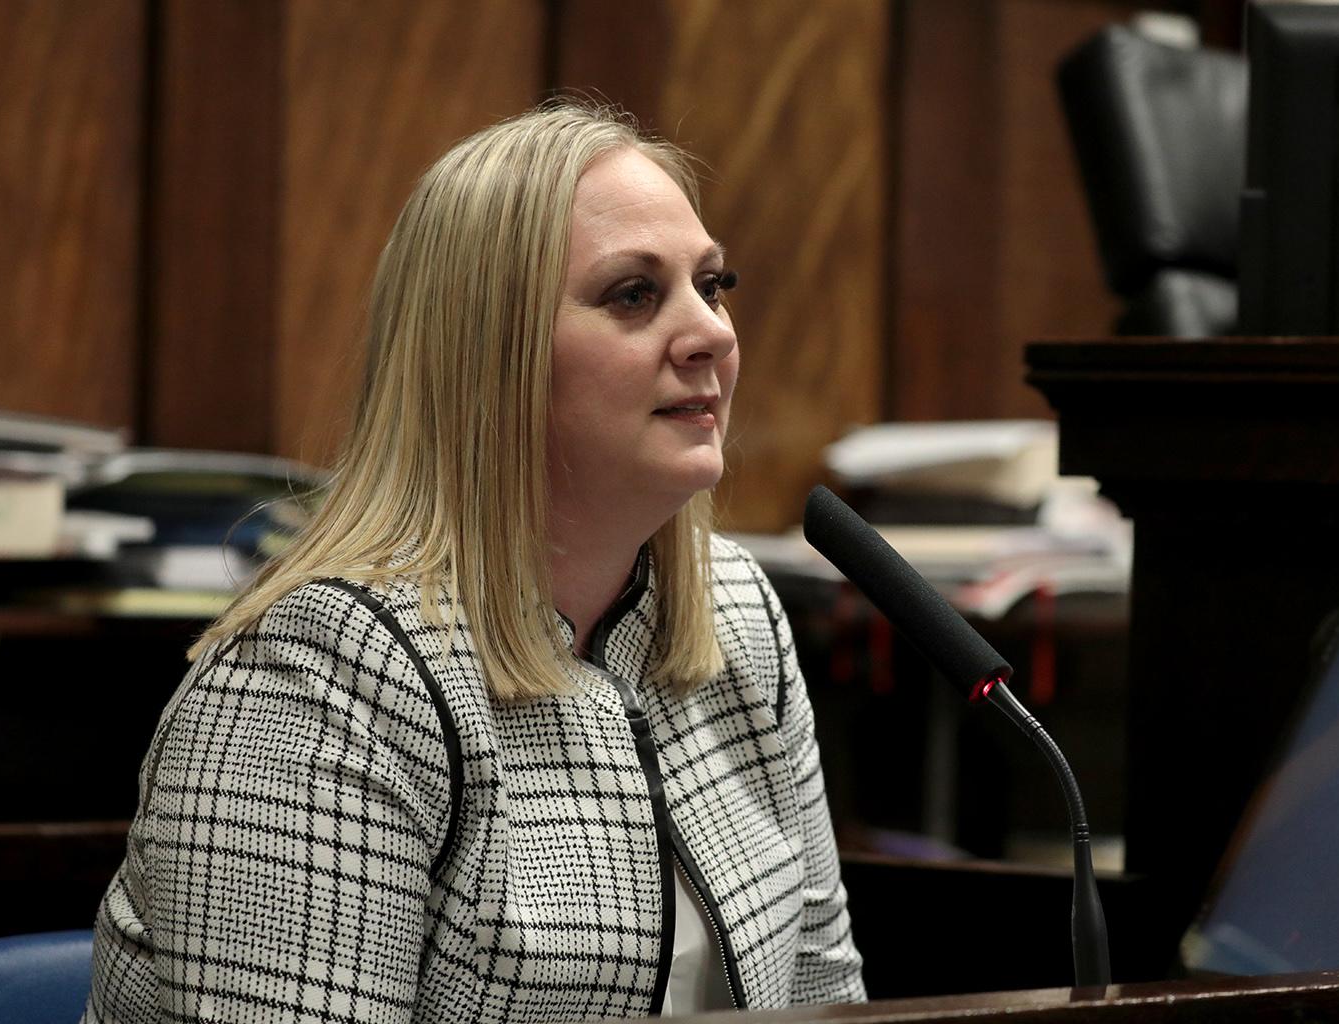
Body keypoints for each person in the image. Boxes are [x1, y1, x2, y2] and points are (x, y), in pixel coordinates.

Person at [83, 101, 866, 1023]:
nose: (712, 334)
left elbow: (827, 1001)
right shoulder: (319, 679)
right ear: (492, 355)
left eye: (713, 283)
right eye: (633, 295)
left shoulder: (738, 616)